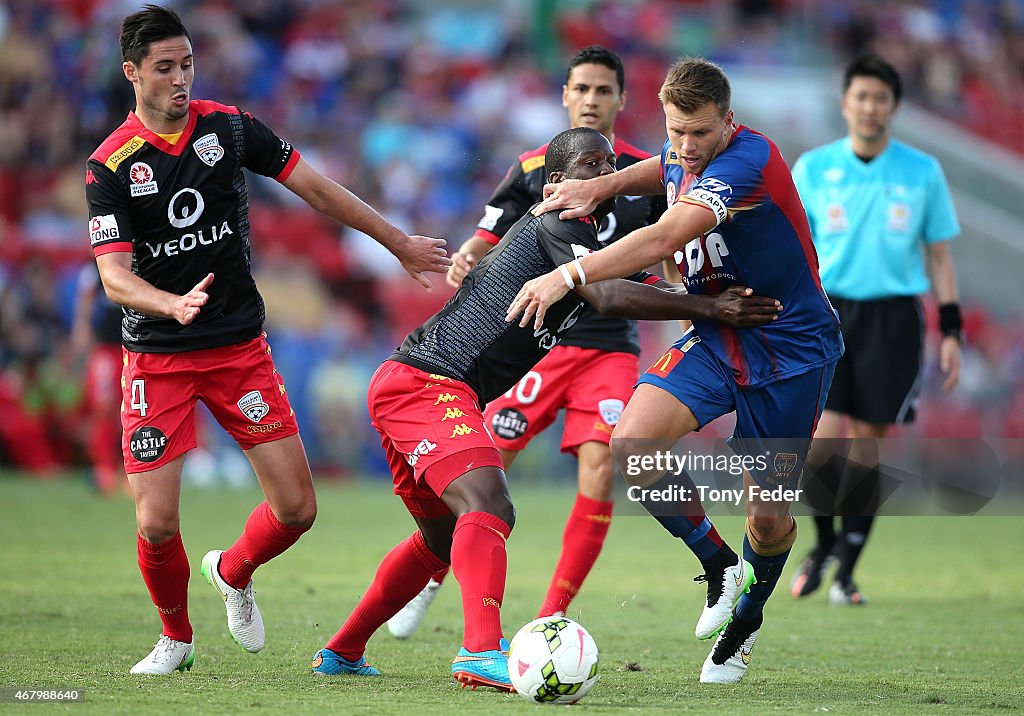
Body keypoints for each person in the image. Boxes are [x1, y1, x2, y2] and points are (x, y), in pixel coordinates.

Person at [311, 126, 782, 691]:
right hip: (426, 382)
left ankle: (341, 651)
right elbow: (607, 296)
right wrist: (712, 308)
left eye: (608, 165)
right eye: (589, 164)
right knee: (490, 502)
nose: (603, 174)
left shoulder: (587, 244)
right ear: (557, 182)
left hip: (419, 384)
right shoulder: (556, 222)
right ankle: (479, 652)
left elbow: (633, 284)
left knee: (439, 541)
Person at [85, 5, 450, 676]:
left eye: (187, 64)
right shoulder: (111, 163)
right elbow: (113, 277)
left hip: (238, 350)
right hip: (159, 358)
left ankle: (233, 569)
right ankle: (175, 640)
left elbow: (314, 188)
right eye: (164, 68)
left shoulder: (229, 128)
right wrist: (169, 302)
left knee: (297, 510)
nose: (180, 79)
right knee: (156, 521)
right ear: (133, 73)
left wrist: (397, 243)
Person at [507, 57, 844, 684]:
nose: (686, 147)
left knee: (766, 519)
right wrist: (600, 186)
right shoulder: (680, 151)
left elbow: (664, 238)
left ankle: (746, 621)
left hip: (789, 351)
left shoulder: (748, 163)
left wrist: (567, 274)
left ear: (729, 123)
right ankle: (718, 565)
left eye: (700, 134)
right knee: (632, 444)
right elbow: (658, 166)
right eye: (676, 130)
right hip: (718, 334)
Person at [387, 44, 681, 640]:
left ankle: (552, 616)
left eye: (604, 91)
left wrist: (683, 293)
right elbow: (489, 231)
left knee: (601, 468)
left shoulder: (647, 176)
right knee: (483, 467)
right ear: (566, 96)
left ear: (623, 100)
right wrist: (468, 254)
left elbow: (667, 249)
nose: (593, 100)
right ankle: (432, 578)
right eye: (583, 89)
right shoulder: (534, 168)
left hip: (609, 345)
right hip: (536, 342)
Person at [788, 53, 962, 606]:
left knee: (866, 448)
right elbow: (795, 249)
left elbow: (938, 256)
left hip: (894, 318)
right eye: (860, 96)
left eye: (880, 98)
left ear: (894, 107)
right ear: (845, 104)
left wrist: (953, 327)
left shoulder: (922, 172)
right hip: (828, 312)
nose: (869, 107)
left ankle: (845, 574)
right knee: (819, 441)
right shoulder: (813, 168)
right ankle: (822, 545)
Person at [70, 262, 127, 495]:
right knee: (103, 409)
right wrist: (81, 334)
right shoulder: (93, 268)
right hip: (105, 350)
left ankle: (129, 473)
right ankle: (104, 470)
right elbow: (84, 304)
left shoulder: (138, 258)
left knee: (132, 412)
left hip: (133, 349)